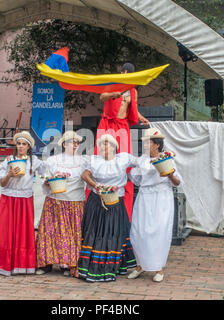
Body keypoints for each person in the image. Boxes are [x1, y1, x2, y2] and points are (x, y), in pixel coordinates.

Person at [0, 131, 47, 276]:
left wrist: (50, 179)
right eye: (19, 144)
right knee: (4, 231)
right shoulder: (9, 160)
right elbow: (2, 183)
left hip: (25, 199)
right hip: (9, 198)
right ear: (16, 145)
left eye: (24, 144)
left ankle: (21, 264)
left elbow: (45, 172)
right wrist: (9, 174)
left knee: (23, 231)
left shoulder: (34, 161)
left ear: (29, 147)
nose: (21, 146)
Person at [92, 62, 150, 221]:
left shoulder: (133, 91)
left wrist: (141, 117)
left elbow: (133, 108)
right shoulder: (112, 83)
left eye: (128, 72)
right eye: (123, 71)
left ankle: (124, 207)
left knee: (125, 161)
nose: (125, 74)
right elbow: (102, 97)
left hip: (122, 125)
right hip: (107, 123)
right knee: (101, 157)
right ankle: (97, 197)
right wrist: (113, 95)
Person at [78, 134, 139, 282]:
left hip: (115, 201)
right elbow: (84, 175)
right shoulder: (94, 160)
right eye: (101, 145)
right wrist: (96, 185)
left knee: (113, 233)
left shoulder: (123, 158)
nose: (103, 147)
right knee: (95, 232)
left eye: (106, 144)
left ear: (113, 147)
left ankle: (114, 266)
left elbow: (142, 163)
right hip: (96, 201)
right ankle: (93, 266)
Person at [127, 128, 182, 282]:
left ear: (157, 145)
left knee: (158, 232)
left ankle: (158, 269)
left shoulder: (166, 158)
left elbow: (177, 182)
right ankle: (140, 265)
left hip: (161, 197)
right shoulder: (143, 160)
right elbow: (136, 179)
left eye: (148, 142)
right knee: (138, 232)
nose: (145, 145)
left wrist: (169, 174)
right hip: (144, 197)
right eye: (144, 142)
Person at [36, 131, 86, 277]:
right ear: (64, 144)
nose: (75, 145)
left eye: (77, 142)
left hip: (74, 202)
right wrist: (47, 181)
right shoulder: (53, 160)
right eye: (72, 142)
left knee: (70, 234)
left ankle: (67, 264)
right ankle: (46, 264)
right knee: (50, 233)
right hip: (55, 201)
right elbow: (44, 177)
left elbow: (88, 176)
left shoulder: (84, 161)